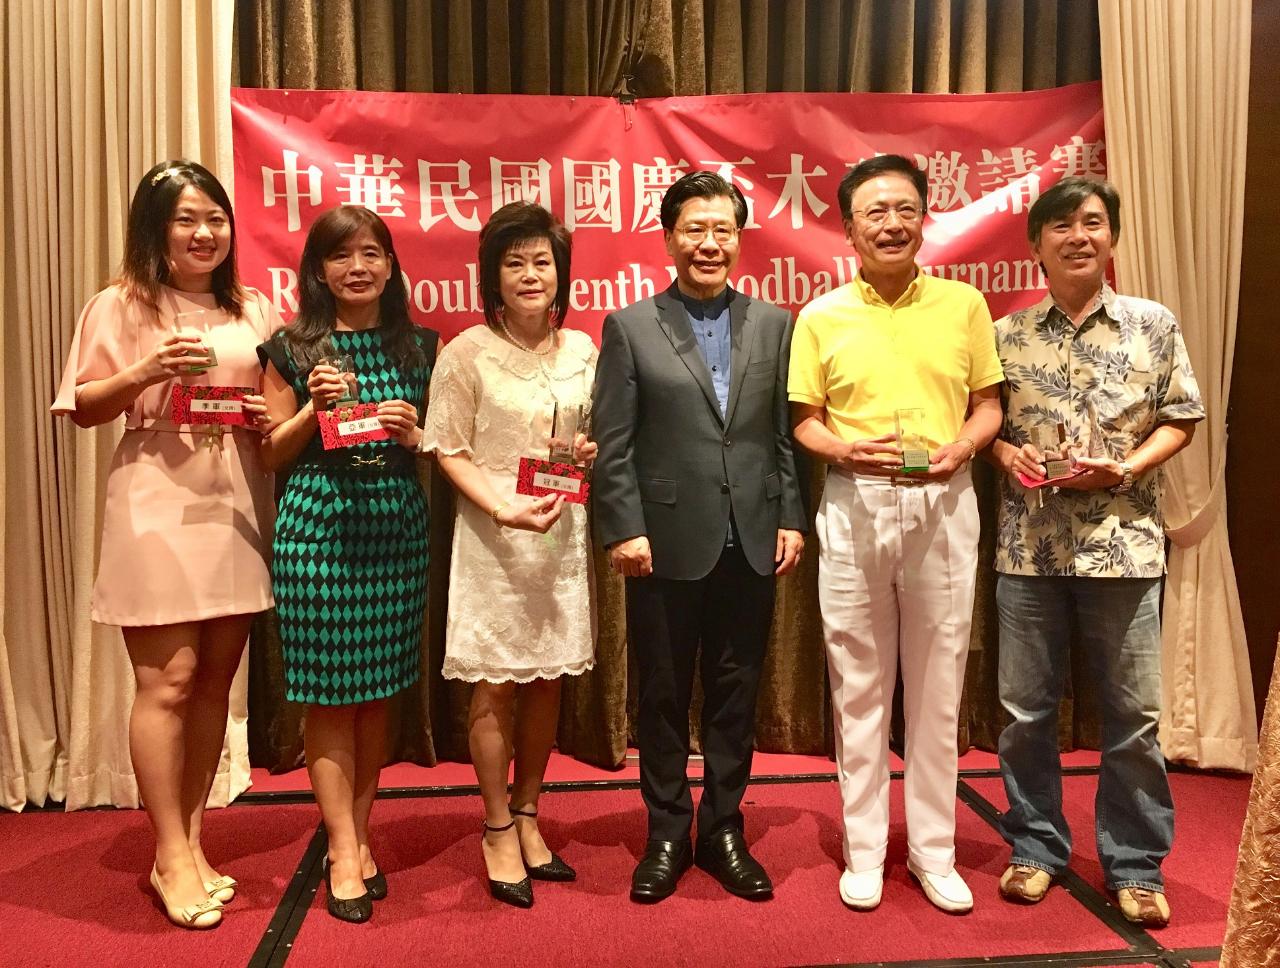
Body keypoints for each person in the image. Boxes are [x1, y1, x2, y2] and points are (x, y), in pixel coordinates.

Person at [52, 160, 282, 929]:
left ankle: (187, 840)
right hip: (154, 490)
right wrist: (148, 367)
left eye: (214, 217)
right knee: (170, 681)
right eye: (186, 218)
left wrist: (264, 416)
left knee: (217, 681)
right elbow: (80, 406)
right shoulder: (121, 304)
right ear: (156, 229)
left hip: (236, 493)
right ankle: (170, 852)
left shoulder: (251, 307)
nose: (203, 232)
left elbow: (274, 404)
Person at [790, 154, 1004, 914]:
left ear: (924, 218)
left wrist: (967, 446)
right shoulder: (819, 316)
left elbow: (988, 403)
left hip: (945, 502)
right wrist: (843, 449)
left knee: (940, 686)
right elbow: (804, 423)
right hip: (856, 502)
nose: (892, 222)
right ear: (848, 227)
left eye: (905, 208)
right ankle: (865, 850)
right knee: (858, 687)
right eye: (875, 211)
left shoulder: (963, 307)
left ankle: (935, 852)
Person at [987, 176, 1203, 927]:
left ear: (1112, 236)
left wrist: (1131, 466)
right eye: (1062, 226)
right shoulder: (1006, 334)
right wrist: (1005, 456)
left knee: (1133, 717)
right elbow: (990, 428)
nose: (1078, 236)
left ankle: (1137, 864)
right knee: (1024, 714)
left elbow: (1182, 418)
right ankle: (1035, 848)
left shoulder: (1153, 324)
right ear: (1036, 243)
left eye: (1093, 223)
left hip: (1126, 546)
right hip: (1029, 551)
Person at [593, 171, 806, 904]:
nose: (709, 244)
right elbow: (612, 442)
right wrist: (624, 527)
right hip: (664, 541)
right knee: (660, 693)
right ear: (669, 238)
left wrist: (789, 517)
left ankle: (721, 829)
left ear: (740, 240)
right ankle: (663, 832)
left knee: (735, 692)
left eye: (723, 230)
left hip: (750, 536)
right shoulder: (630, 326)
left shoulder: (776, 324)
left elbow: (781, 436)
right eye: (695, 229)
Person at [258, 205, 437, 924]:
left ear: (391, 266)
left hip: (394, 530)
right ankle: (340, 848)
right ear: (319, 270)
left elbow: (440, 444)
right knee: (329, 695)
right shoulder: (292, 347)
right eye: (341, 256)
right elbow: (270, 451)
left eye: (371, 253)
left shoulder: (419, 345)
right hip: (317, 531)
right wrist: (312, 410)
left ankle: (360, 832)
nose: (357, 267)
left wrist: (415, 430)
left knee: (379, 691)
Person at [422, 201, 596, 909]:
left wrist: (585, 452)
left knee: (547, 680)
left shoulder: (584, 350)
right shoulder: (465, 352)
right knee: (494, 685)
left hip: (559, 535)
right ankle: (494, 825)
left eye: (542, 261)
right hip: (496, 539)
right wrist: (499, 506)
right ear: (493, 275)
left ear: (561, 273)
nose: (530, 275)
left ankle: (529, 813)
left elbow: (587, 439)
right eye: (514, 262)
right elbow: (446, 449)